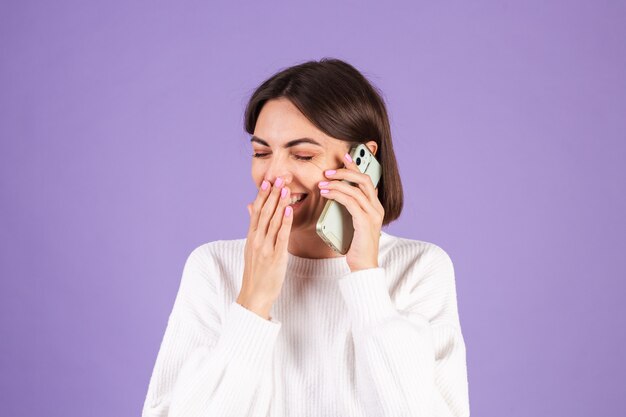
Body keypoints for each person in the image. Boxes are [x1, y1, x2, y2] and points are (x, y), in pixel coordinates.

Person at [141, 58, 470, 417]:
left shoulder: (420, 269)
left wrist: (365, 279)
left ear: (361, 162)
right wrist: (253, 301)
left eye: (302, 155)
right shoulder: (214, 267)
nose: (274, 175)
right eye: (261, 152)